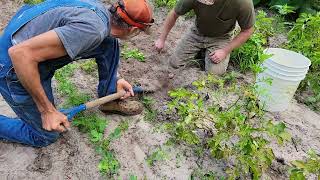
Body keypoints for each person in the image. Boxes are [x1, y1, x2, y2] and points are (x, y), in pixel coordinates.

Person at [0, 0, 154, 147]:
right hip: (13, 68)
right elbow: (20, 54)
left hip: (24, 41)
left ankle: (109, 98)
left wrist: (116, 79)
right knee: (45, 135)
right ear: (133, 30)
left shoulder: (97, 10)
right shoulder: (93, 30)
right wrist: (47, 111)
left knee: (109, 42)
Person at [155, 0, 255, 75]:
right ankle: (201, 53)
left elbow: (248, 30)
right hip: (197, 32)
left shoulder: (242, 2)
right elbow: (174, 14)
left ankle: (205, 55)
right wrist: (161, 39)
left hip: (221, 37)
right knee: (174, 64)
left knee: (214, 74)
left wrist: (225, 51)